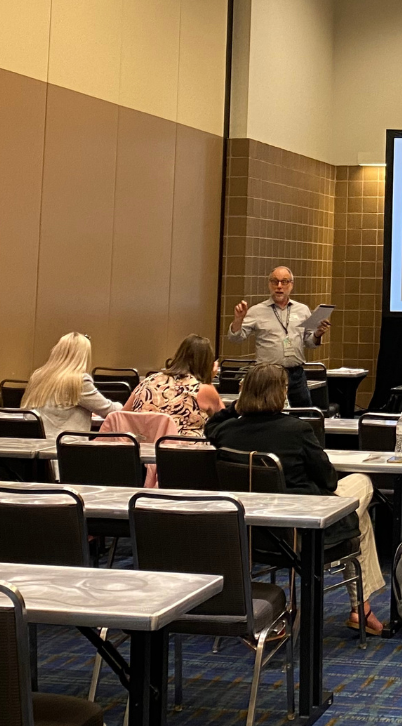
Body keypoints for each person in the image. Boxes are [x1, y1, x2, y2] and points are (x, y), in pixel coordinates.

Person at [205, 362, 384, 634]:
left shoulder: (226, 433)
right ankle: (361, 608)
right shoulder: (297, 430)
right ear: (280, 393)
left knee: (359, 517)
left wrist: (237, 406)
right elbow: (329, 481)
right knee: (362, 485)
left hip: (251, 534)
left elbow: (211, 425)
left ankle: (362, 608)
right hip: (302, 529)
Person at [226, 265, 330, 408]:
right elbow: (235, 338)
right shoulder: (257, 311)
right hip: (269, 375)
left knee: (304, 414)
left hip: (296, 374)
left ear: (291, 285)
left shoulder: (302, 310)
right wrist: (238, 320)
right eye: (275, 282)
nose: (279, 286)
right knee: (269, 413)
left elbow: (309, 342)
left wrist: (318, 334)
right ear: (269, 284)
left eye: (284, 282)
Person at [19, 332, 122, 439]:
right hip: (67, 448)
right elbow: (110, 411)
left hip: (37, 446)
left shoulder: (38, 376)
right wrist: (128, 405)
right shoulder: (78, 380)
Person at [123, 333, 225, 434]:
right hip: (183, 449)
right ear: (207, 364)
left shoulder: (148, 380)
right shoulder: (203, 389)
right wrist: (208, 379)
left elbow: (122, 416)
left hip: (142, 447)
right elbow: (226, 423)